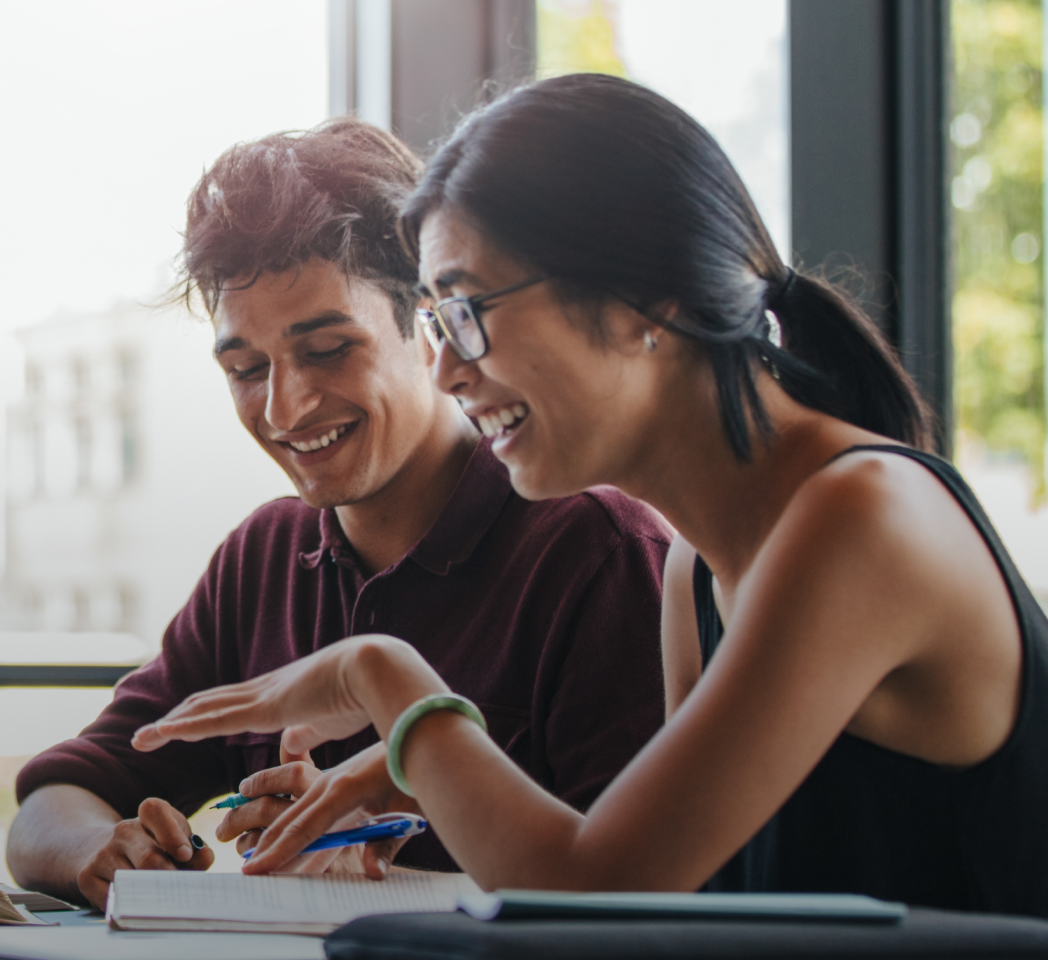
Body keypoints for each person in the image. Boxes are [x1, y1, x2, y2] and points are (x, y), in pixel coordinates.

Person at [135, 74, 1048, 917]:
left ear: (642, 301)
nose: (446, 369)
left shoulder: (861, 517)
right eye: (436, 320)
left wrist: (378, 677)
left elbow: (599, 888)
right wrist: (424, 786)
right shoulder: (700, 565)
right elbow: (674, 910)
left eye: (467, 312)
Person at [3, 118, 672, 906]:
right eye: (247, 369)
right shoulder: (263, 559)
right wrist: (101, 850)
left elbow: (632, 894)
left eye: (326, 351)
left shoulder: (594, 550)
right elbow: (52, 804)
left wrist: (396, 827)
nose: (284, 406)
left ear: (430, 328)